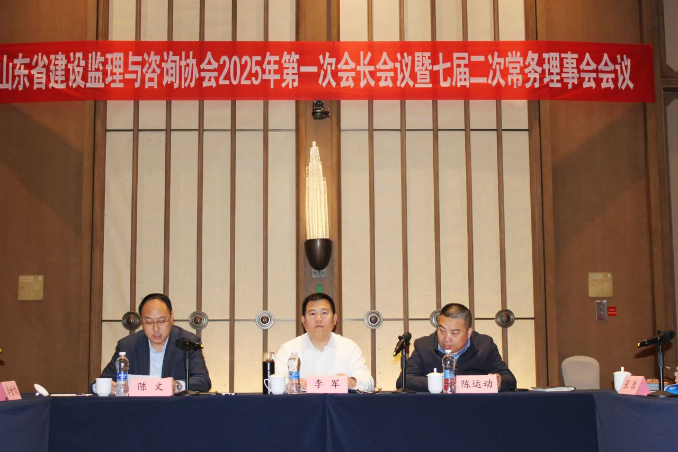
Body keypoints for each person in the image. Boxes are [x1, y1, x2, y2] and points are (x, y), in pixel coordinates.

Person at [96, 293, 211, 393]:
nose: (156, 329)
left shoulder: (188, 343)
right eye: (149, 322)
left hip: (175, 408)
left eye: (161, 321)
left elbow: (203, 381)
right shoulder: (128, 345)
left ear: (171, 317)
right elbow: (99, 383)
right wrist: (108, 386)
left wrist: (177, 385)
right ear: (141, 320)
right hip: (138, 408)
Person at [396, 303, 516, 392]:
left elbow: (510, 379)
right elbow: (403, 381)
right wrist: (439, 383)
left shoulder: (484, 345)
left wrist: (499, 381)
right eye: (442, 331)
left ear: (468, 333)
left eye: (454, 333)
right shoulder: (424, 346)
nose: (446, 338)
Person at [274, 293, 374, 392]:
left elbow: (368, 382)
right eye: (312, 314)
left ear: (334, 319)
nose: (318, 319)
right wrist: (289, 384)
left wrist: (352, 382)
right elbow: (274, 380)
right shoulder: (288, 350)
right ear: (303, 321)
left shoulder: (349, 348)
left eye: (324, 313)